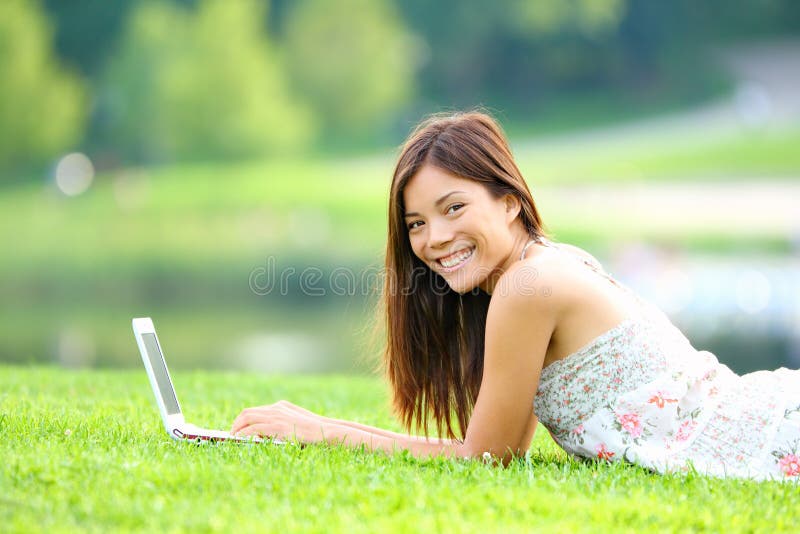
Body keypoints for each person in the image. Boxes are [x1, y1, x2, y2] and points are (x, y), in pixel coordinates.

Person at [231, 111, 800, 481]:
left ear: (508, 201)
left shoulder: (527, 286)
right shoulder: (542, 267)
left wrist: (314, 429)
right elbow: (499, 444)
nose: (434, 239)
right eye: (416, 224)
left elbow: (487, 459)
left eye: (453, 208)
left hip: (769, 432)